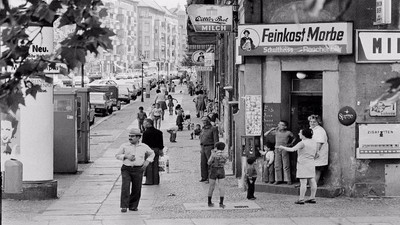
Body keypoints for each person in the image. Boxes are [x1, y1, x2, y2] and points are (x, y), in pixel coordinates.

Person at [115, 128, 154, 212]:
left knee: (137, 188)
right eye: (129, 136)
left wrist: (147, 161)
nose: (130, 138)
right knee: (125, 187)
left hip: (138, 169)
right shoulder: (124, 146)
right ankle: (124, 206)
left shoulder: (144, 146)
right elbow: (117, 155)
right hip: (126, 169)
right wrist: (125, 156)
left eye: (132, 136)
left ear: (138, 137)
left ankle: (133, 205)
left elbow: (152, 153)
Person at [279, 128, 318, 204]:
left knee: (303, 182)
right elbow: (317, 153)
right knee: (312, 180)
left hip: (303, 163)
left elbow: (292, 149)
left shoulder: (302, 143)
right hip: (311, 162)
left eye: (300, 133)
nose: (299, 134)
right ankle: (312, 197)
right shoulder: (313, 142)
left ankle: (301, 199)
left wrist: (282, 147)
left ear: (304, 135)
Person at [264, 120, 296, 185]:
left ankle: (288, 179)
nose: (279, 126)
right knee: (277, 165)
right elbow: (265, 134)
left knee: (286, 164)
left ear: (285, 127)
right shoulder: (276, 132)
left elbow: (294, 138)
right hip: (277, 148)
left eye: (281, 125)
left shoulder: (288, 132)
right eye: (279, 124)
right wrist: (271, 129)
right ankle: (278, 179)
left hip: (285, 148)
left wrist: (290, 144)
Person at [308, 114, 329, 186]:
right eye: (311, 121)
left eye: (314, 122)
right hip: (312, 152)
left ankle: (313, 185)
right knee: (313, 169)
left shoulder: (319, 130)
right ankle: (311, 184)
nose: (312, 123)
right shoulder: (312, 129)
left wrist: (316, 152)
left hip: (318, 152)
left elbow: (319, 143)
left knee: (317, 169)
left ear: (318, 122)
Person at [142, 118, 164, 185]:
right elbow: (161, 143)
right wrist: (161, 150)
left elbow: (144, 143)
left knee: (149, 166)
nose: (143, 124)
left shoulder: (145, 133)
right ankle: (156, 181)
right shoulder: (159, 132)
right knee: (156, 165)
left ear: (148, 124)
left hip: (149, 150)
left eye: (144, 123)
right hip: (156, 150)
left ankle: (149, 181)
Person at [207, 142, 228, 208]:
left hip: (213, 170)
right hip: (221, 170)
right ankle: (221, 203)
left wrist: (213, 153)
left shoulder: (214, 154)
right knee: (221, 187)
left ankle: (209, 202)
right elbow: (225, 161)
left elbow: (209, 162)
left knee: (211, 187)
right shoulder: (225, 154)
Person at [199, 116, 219, 183]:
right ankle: (204, 177)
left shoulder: (213, 129)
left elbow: (216, 139)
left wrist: (215, 149)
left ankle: (210, 178)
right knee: (203, 163)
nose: (203, 122)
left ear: (207, 121)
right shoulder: (203, 129)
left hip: (210, 147)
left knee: (210, 163)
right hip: (203, 147)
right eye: (202, 121)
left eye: (204, 121)